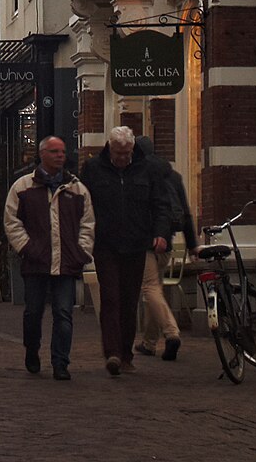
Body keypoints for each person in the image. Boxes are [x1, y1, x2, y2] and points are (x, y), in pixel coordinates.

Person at [80, 125, 173, 376]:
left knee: (130, 301)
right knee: (110, 298)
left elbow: (161, 204)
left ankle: (126, 354)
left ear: (133, 149)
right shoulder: (92, 170)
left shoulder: (148, 170)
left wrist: (161, 233)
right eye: (118, 153)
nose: (122, 158)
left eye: (127, 153)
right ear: (110, 148)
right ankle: (113, 353)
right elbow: (83, 205)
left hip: (136, 243)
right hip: (105, 244)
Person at [2, 135, 95, 380]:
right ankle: (32, 350)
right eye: (54, 151)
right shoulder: (23, 187)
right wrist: (27, 248)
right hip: (36, 262)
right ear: (42, 154)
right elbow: (12, 222)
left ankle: (60, 362)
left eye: (62, 151)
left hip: (66, 263)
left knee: (63, 313)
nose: (60, 156)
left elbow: (88, 223)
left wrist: (81, 251)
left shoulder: (76, 189)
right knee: (33, 313)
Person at [135, 136, 196, 362]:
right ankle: (150, 343)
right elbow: (186, 213)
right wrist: (192, 245)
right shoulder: (173, 175)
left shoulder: (140, 175)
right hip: (167, 243)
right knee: (155, 290)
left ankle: (172, 334)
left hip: (147, 242)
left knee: (149, 289)